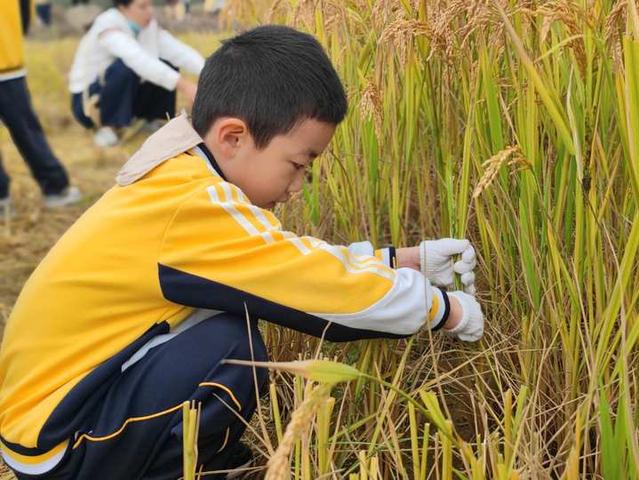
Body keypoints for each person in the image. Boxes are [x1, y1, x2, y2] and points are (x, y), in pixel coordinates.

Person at [0, 26, 484, 479]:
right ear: (233, 137)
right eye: (297, 165)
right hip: (58, 442)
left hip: (48, 416)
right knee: (234, 349)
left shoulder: (182, 175)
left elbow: (287, 262)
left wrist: (404, 260)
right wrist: (447, 309)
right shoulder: (192, 205)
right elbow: (325, 297)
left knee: (229, 324)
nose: (296, 187)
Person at [68, 0, 204, 148]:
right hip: (89, 102)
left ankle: (151, 120)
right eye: (142, 7)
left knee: (165, 62)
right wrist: (185, 86)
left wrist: (209, 73)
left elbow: (178, 51)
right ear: (123, 8)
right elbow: (139, 61)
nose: (149, 11)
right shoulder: (107, 25)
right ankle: (109, 127)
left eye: (150, 5)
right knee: (127, 67)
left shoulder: (146, 26)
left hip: (124, 93)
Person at [0, 0, 82, 213]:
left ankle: (3, 200)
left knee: (26, 128)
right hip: (7, 61)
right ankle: (55, 188)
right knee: (26, 129)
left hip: (8, 65)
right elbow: (25, 13)